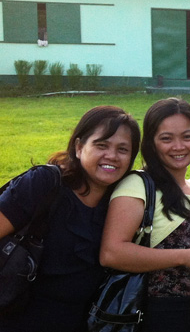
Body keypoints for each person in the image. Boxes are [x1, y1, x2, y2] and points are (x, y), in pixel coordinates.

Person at [0, 106, 140, 331]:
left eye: (123, 149)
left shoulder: (122, 204)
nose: (112, 156)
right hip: (15, 319)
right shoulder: (44, 184)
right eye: (101, 145)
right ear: (78, 146)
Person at [101, 98, 190, 331]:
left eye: (187, 136)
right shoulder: (137, 185)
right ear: (151, 143)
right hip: (156, 314)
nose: (179, 146)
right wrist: (184, 256)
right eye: (166, 138)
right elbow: (111, 253)